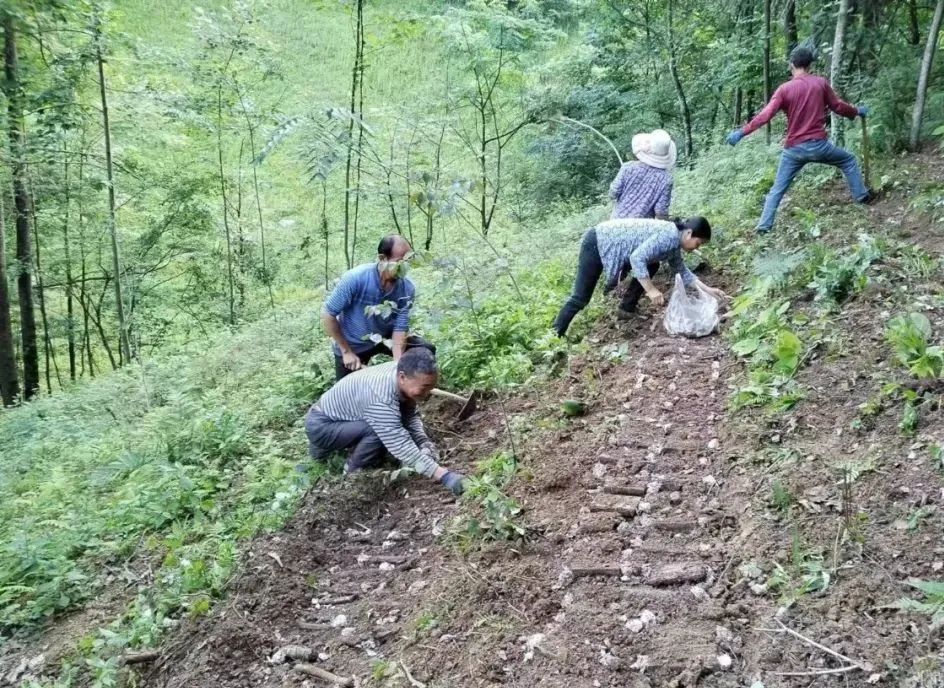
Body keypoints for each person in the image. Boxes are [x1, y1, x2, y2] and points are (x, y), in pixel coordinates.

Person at [726, 46, 875, 233]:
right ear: (810, 65)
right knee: (848, 160)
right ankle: (861, 196)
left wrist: (741, 132)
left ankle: (764, 227)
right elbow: (837, 106)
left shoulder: (784, 89)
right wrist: (856, 111)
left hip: (794, 150)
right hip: (819, 146)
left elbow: (765, 115)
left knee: (777, 189)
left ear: (791, 65)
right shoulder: (820, 83)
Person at [304, 348, 466, 495]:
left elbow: (409, 415)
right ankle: (352, 474)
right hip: (322, 426)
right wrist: (445, 476)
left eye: (431, 387)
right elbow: (399, 444)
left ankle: (325, 451)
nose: (428, 393)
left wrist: (423, 442)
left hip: (342, 416)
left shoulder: (401, 372)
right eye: (425, 387)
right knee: (377, 430)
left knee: (387, 422)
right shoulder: (380, 397)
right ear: (402, 377)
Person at [553, 217, 725, 337]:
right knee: (581, 298)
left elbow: (682, 271)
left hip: (603, 239)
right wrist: (650, 290)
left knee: (653, 264)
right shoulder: (669, 236)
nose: (696, 248)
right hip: (597, 241)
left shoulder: (674, 243)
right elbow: (637, 258)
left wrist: (708, 290)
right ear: (689, 233)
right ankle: (555, 334)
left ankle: (626, 308)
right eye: (698, 243)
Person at [322, 235, 434, 381]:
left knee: (423, 350)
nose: (405, 266)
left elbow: (400, 328)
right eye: (400, 261)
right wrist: (346, 352)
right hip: (352, 343)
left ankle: (418, 390)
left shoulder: (407, 288)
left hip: (384, 338)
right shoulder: (355, 279)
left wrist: (398, 365)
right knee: (350, 393)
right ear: (382, 258)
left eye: (408, 260)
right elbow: (328, 314)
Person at [608, 129, 676, 220]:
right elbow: (661, 212)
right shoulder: (666, 178)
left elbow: (613, 193)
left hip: (616, 224)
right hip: (643, 228)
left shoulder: (627, 168)